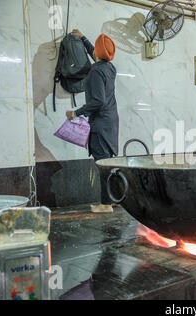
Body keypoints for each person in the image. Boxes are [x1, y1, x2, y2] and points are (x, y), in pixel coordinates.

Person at [66, 29, 119, 213]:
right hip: (110, 122)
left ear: (98, 52)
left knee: (102, 165)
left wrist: (76, 113)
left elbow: (98, 101)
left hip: (100, 124)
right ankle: (111, 200)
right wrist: (84, 39)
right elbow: (97, 55)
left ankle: (105, 205)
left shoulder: (97, 71)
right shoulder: (109, 68)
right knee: (108, 164)